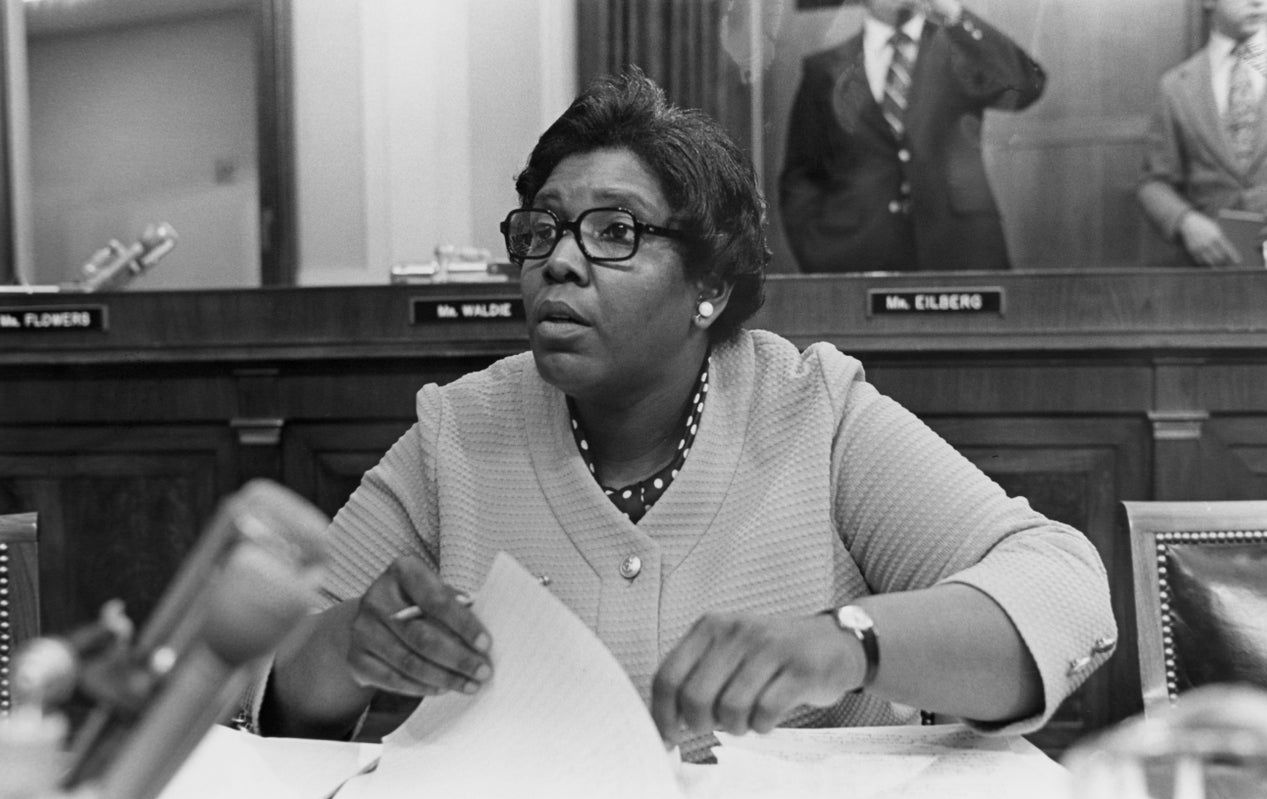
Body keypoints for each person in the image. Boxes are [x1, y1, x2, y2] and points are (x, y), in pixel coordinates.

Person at [249, 70, 1115, 760]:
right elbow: (257, 673)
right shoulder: (461, 432)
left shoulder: (811, 410)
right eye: (542, 229)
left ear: (709, 286)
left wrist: (846, 641)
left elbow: (1064, 590)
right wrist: (349, 647)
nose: (559, 262)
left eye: (615, 231)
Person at [778, 0, 1045, 273]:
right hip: (856, 258)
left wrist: (954, 16)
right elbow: (802, 174)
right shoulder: (824, 69)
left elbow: (1026, 86)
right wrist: (816, 252)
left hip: (962, 255)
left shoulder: (960, 47)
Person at [1137, 0, 1267, 267]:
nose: (1258, 1)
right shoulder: (1176, 86)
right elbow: (1154, 182)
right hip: (1214, 271)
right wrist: (1184, 220)